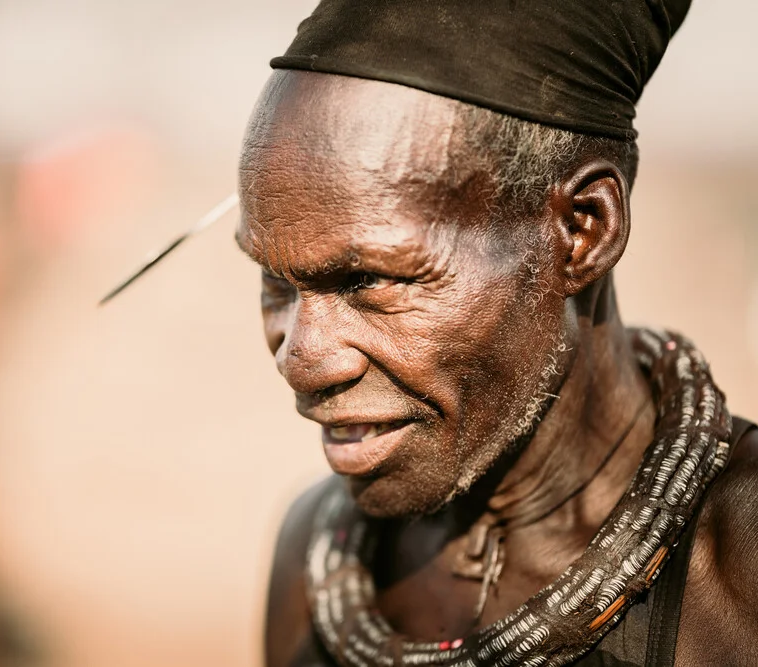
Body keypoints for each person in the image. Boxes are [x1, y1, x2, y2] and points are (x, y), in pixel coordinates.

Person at [238, 1, 758, 665]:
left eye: (370, 280)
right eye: (276, 281)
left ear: (581, 231)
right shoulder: (314, 556)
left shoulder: (741, 577)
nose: (302, 361)